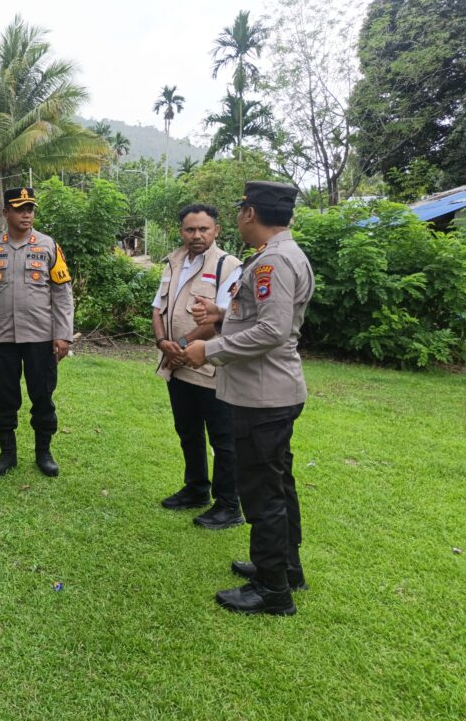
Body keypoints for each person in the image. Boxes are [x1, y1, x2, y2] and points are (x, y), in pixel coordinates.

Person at [184, 181, 314, 616]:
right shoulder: (280, 255)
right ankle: (285, 568)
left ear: (250, 213)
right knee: (278, 484)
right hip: (271, 391)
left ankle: (272, 589)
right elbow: (265, 318)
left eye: (240, 211)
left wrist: (210, 349)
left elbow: (272, 331)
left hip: (263, 396)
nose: (239, 218)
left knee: (262, 493)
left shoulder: (272, 261)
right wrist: (223, 314)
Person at [0, 187, 74, 478]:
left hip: (41, 338)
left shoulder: (48, 245)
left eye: (30, 208)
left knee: (43, 396)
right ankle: (7, 454)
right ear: (6, 212)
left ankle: (44, 453)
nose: (26, 214)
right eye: (19, 208)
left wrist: (63, 334)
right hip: (4, 338)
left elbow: (62, 294)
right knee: (4, 397)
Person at [152, 204, 244, 529]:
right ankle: (196, 489)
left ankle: (229, 505)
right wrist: (162, 342)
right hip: (176, 364)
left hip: (210, 365)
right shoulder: (173, 262)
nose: (197, 235)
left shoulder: (228, 266)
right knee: (187, 430)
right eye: (190, 229)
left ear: (216, 230)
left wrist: (181, 344)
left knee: (223, 437)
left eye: (204, 229)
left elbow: (221, 319)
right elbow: (157, 307)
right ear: (181, 232)